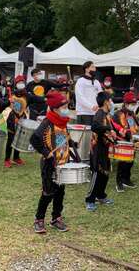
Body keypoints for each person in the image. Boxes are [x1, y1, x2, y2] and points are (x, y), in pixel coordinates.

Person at [32, 91, 80, 234]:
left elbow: (63, 138)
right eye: (64, 107)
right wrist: (46, 153)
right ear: (55, 109)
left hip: (63, 162)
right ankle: (39, 219)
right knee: (48, 192)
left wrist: (73, 145)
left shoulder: (63, 122)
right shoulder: (47, 123)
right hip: (50, 165)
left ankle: (56, 218)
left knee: (60, 192)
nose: (67, 109)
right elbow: (34, 139)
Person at [4, 75, 43, 168]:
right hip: (12, 119)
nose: (20, 84)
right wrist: (8, 101)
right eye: (18, 83)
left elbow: (37, 99)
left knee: (19, 138)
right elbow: (4, 103)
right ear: (16, 84)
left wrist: (46, 98)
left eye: (22, 82)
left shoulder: (27, 95)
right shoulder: (11, 93)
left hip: (22, 119)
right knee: (10, 139)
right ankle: (7, 159)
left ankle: (16, 157)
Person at [85, 91, 115, 211]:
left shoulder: (106, 114)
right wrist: (108, 128)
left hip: (105, 148)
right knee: (97, 173)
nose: (112, 103)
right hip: (97, 149)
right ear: (106, 102)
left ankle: (101, 195)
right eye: (110, 100)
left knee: (105, 173)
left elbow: (107, 131)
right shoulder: (99, 113)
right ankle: (90, 199)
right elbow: (95, 127)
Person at [113, 91, 139, 192]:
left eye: (134, 104)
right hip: (122, 141)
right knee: (122, 162)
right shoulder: (119, 114)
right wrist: (128, 134)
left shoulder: (132, 114)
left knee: (130, 161)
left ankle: (126, 179)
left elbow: (137, 125)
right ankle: (119, 182)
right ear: (126, 104)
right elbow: (118, 127)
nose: (133, 106)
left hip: (132, 140)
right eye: (132, 104)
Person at [75, 61, 102, 126]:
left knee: (95, 135)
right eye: (92, 67)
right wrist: (91, 106)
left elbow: (101, 95)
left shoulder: (96, 82)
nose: (94, 69)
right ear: (86, 69)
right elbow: (80, 97)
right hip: (84, 113)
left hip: (96, 113)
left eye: (94, 67)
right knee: (86, 135)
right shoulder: (81, 81)